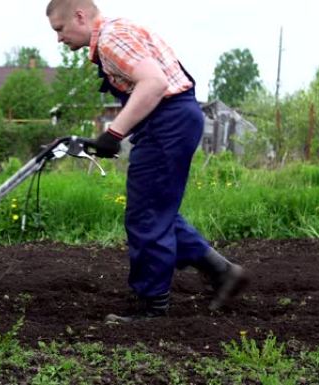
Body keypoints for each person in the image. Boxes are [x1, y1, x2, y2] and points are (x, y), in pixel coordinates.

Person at [46, 0, 248, 322]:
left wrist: (114, 133)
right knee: (156, 208)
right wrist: (112, 135)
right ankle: (222, 272)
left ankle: (153, 308)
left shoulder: (111, 38)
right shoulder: (118, 31)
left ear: (80, 16)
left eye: (60, 29)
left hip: (168, 121)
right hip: (172, 119)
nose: (59, 38)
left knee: (146, 215)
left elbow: (154, 83)